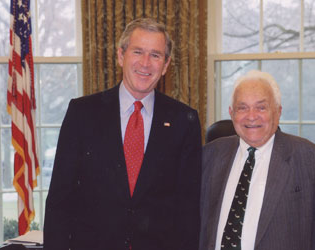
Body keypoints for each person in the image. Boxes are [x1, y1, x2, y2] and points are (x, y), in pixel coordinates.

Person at [44, 18, 202, 250]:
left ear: (166, 65)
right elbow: (59, 199)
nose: (145, 63)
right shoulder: (82, 113)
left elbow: (188, 210)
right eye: (138, 52)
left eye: (156, 55)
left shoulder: (184, 121)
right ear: (120, 55)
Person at [199, 70, 315, 250]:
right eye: (242, 107)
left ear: (278, 112)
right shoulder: (209, 155)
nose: (251, 116)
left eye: (261, 107)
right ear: (231, 113)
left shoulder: (312, 159)